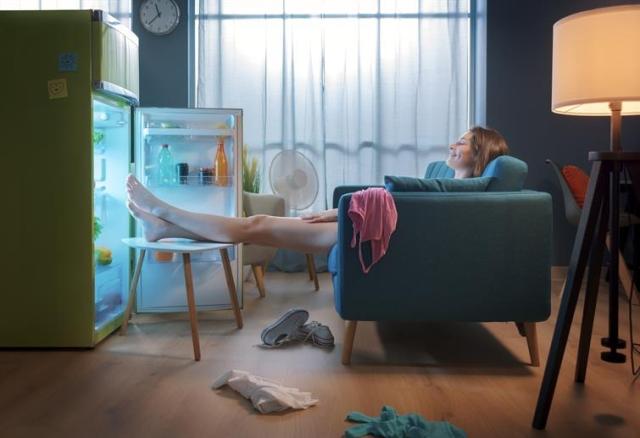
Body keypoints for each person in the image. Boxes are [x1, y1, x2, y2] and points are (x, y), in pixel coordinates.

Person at [127, 126, 509, 254]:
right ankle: (165, 227)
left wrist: (338, 211)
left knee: (255, 223)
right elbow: (398, 201)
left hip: (359, 234)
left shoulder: (462, 189)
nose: (452, 146)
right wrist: (341, 210)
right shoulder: (452, 185)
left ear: (480, 151)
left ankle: (166, 212)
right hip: (355, 226)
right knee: (255, 225)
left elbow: (399, 200)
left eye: (461, 142)